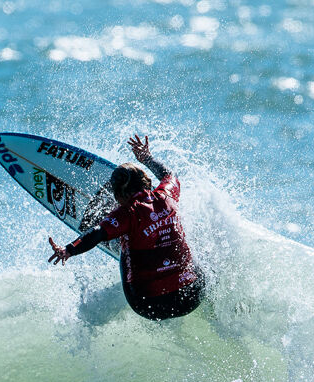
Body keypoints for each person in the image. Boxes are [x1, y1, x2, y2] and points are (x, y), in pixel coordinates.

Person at [46, 135, 204, 321]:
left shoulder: (127, 213)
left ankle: (121, 236)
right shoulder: (167, 195)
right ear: (147, 183)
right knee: (193, 253)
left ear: (119, 195)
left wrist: (69, 250)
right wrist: (147, 158)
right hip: (192, 297)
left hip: (149, 305)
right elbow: (170, 175)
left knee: (123, 236)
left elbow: (97, 233)